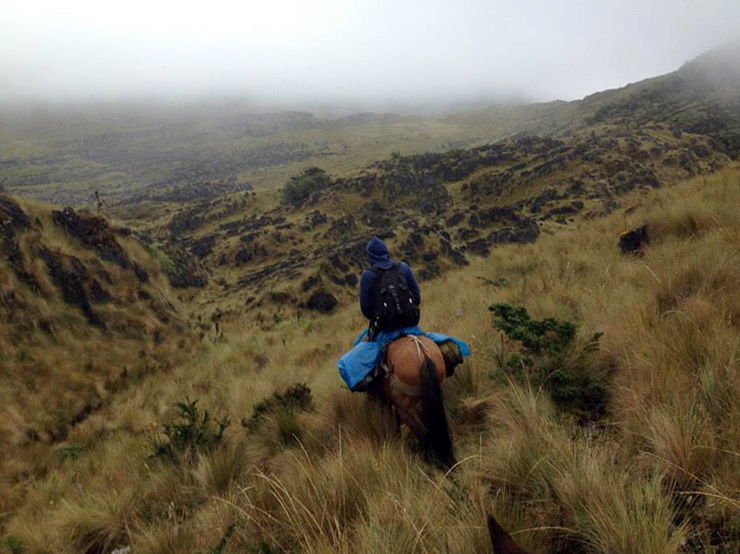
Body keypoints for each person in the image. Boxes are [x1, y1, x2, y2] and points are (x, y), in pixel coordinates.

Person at [360, 237, 421, 339]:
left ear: (370, 256)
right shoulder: (403, 267)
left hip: (385, 330)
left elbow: (366, 309)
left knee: (359, 347)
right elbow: (417, 298)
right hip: (410, 325)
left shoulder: (368, 275)